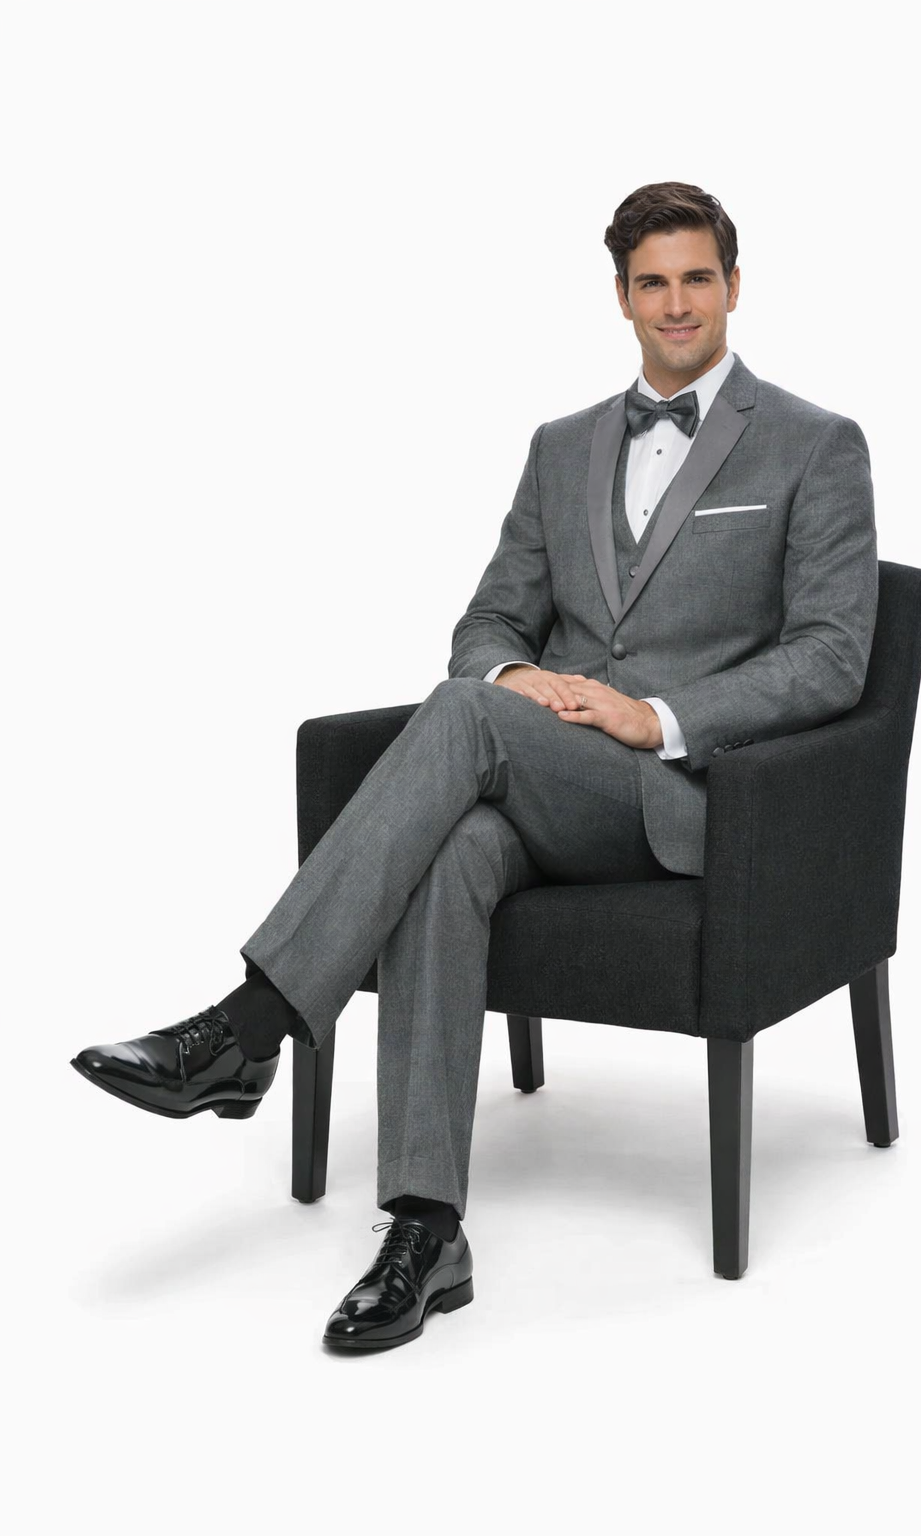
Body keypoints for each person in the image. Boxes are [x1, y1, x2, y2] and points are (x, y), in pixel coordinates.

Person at [70, 181, 878, 1351]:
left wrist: (655, 715)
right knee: (452, 838)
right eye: (651, 282)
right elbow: (489, 622)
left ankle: (248, 1026)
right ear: (620, 298)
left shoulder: (814, 444)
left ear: (734, 286)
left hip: (687, 799)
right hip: (542, 774)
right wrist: (515, 679)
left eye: (697, 278)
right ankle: (425, 1228)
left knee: (459, 718)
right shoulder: (561, 448)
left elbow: (832, 658)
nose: (676, 303)